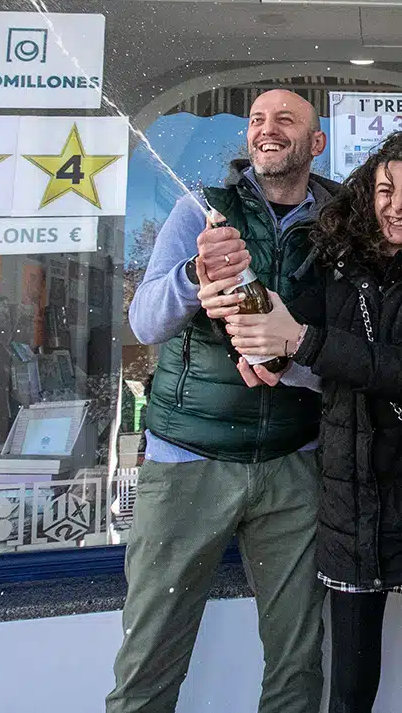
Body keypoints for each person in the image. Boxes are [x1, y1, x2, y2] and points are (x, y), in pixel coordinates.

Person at [205, 130, 402, 713]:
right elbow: (301, 338)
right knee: (348, 691)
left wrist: (299, 340)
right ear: (367, 197)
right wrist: (262, 352)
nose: (397, 205)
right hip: (350, 504)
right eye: (385, 190)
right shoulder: (339, 272)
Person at [109, 89, 336, 713]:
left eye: (286, 120)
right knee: (150, 659)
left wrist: (293, 366)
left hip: (295, 463)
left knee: (298, 663)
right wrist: (193, 277)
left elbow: (350, 346)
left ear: (315, 144)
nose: (268, 130)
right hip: (187, 460)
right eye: (258, 120)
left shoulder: (342, 228)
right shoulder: (202, 211)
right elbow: (146, 322)